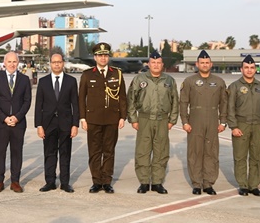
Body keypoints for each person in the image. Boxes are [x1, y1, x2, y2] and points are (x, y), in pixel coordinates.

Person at [126, 50, 178, 195]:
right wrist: (133, 119)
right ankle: (143, 182)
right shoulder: (139, 79)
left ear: (162, 65)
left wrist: (172, 120)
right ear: (148, 64)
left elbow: (175, 102)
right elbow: (131, 99)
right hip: (144, 119)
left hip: (162, 120)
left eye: (158, 63)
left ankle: (157, 182)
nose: (156, 65)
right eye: (153, 63)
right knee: (143, 151)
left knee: (161, 152)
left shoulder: (169, 80)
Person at [78, 42, 127, 194]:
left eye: (105, 55)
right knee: (94, 151)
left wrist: (122, 117)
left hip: (112, 119)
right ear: (95, 57)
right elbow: (81, 98)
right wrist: (83, 118)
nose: (103, 58)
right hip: (93, 119)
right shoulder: (87, 75)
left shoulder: (116, 74)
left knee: (109, 151)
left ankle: (107, 181)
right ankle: (96, 181)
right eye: (100, 55)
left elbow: (122, 97)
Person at [179, 50, 228, 195]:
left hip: (213, 119)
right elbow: (183, 102)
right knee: (195, 152)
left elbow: (224, 103)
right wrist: (185, 121)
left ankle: (208, 183)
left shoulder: (219, 82)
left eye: (207, 63)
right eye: (202, 63)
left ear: (211, 64)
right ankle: (196, 183)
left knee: (211, 152)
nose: (205, 65)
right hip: (195, 119)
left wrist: (223, 122)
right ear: (197, 64)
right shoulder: (189, 81)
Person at [227, 55, 260, 197]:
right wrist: (233, 127)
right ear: (241, 69)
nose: (249, 70)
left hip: (258, 125)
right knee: (240, 156)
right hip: (241, 125)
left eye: (252, 67)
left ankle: (254, 185)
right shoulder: (234, 87)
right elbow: (230, 108)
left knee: (256, 156)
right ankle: (243, 185)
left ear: (255, 69)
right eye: (246, 67)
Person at [34, 52, 79, 193]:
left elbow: (75, 105)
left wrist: (75, 125)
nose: (57, 64)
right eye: (54, 62)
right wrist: (39, 125)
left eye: (59, 62)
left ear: (63, 63)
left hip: (66, 123)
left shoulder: (71, 81)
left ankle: (65, 183)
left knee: (65, 154)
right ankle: (50, 182)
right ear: (50, 64)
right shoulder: (43, 82)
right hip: (48, 124)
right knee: (49, 154)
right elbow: (38, 106)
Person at [0, 51, 32, 193]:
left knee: (16, 152)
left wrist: (16, 117)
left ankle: (15, 181)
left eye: (15, 62)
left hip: (18, 123)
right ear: (4, 63)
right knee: (0, 152)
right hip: (1, 123)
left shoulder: (25, 79)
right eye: (9, 62)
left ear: (18, 63)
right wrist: (4, 118)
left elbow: (27, 101)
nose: (12, 64)